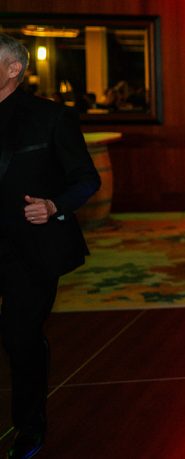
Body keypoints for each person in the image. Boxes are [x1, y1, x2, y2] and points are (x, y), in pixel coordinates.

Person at [0, 34, 100, 459]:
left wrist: (54, 205)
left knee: (20, 337)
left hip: (31, 250)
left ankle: (29, 428)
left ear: (13, 69)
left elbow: (87, 179)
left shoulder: (50, 117)